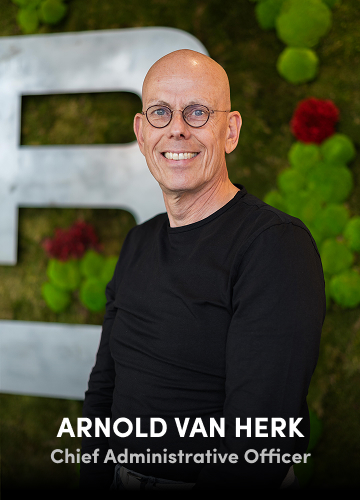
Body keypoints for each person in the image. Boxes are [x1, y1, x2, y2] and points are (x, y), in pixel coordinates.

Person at [80, 49, 326, 491]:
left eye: (197, 112)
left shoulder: (274, 245)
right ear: (141, 132)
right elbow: (104, 388)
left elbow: (260, 437)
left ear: (229, 131)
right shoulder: (138, 241)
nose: (176, 128)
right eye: (160, 112)